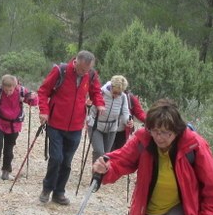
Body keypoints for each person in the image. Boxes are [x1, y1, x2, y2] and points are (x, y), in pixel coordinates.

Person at [36, 50, 105, 205]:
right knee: (56, 158)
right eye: (81, 69)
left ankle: (59, 192)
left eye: (86, 70)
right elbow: (43, 91)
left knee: (67, 161)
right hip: (55, 123)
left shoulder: (91, 75)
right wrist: (44, 112)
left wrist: (100, 104)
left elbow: (96, 92)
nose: (84, 73)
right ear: (76, 62)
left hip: (76, 126)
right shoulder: (61, 70)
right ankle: (47, 189)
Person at [0, 75, 38, 181]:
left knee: (9, 148)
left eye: (10, 90)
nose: (8, 92)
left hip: (14, 125)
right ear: (2, 87)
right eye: (6, 90)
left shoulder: (21, 91)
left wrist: (33, 98)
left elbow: (33, 103)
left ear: (15, 86)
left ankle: (6, 172)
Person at [88, 75, 131, 161]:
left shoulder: (123, 97)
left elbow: (125, 112)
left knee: (107, 155)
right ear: (111, 86)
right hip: (96, 126)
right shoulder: (101, 92)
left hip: (111, 128)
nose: (116, 95)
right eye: (115, 92)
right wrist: (90, 105)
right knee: (99, 152)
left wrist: (128, 121)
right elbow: (91, 107)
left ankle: (101, 174)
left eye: (119, 93)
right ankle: (96, 174)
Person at [112, 85, 147, 151]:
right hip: (108, 129)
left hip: (122, 131)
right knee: (106, 152)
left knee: (118, 152)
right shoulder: (108, 95)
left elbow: (139, 113)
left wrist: (150, 120)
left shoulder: (130, 98)